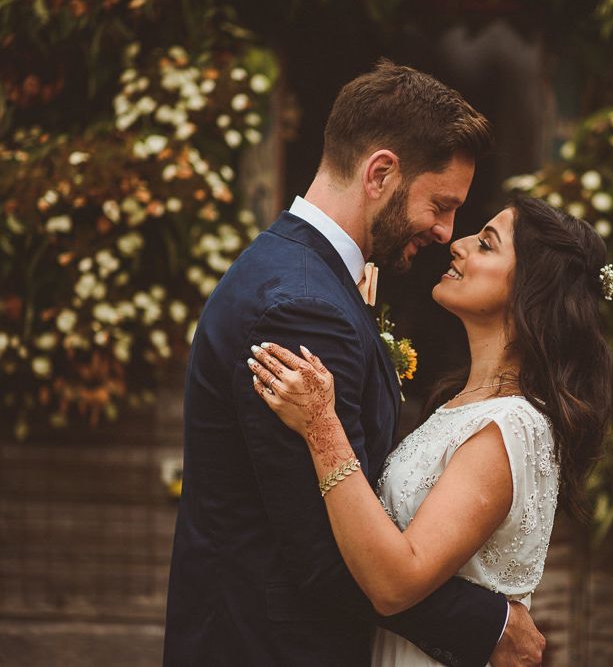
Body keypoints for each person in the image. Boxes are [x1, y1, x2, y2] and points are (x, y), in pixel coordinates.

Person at [163, 59, 546, 666]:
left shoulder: (299, 275)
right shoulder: (303, 306)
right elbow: (323, 556)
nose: (448, 233)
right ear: (381, 173)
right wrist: (488, 625)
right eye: (440, 204)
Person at [248, 196, 613, 665]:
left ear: (531, 290)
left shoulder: (511, 426)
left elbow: (395, 583)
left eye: (485, 244)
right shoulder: (460, 405)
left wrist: (322, 425)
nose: (457, 245)